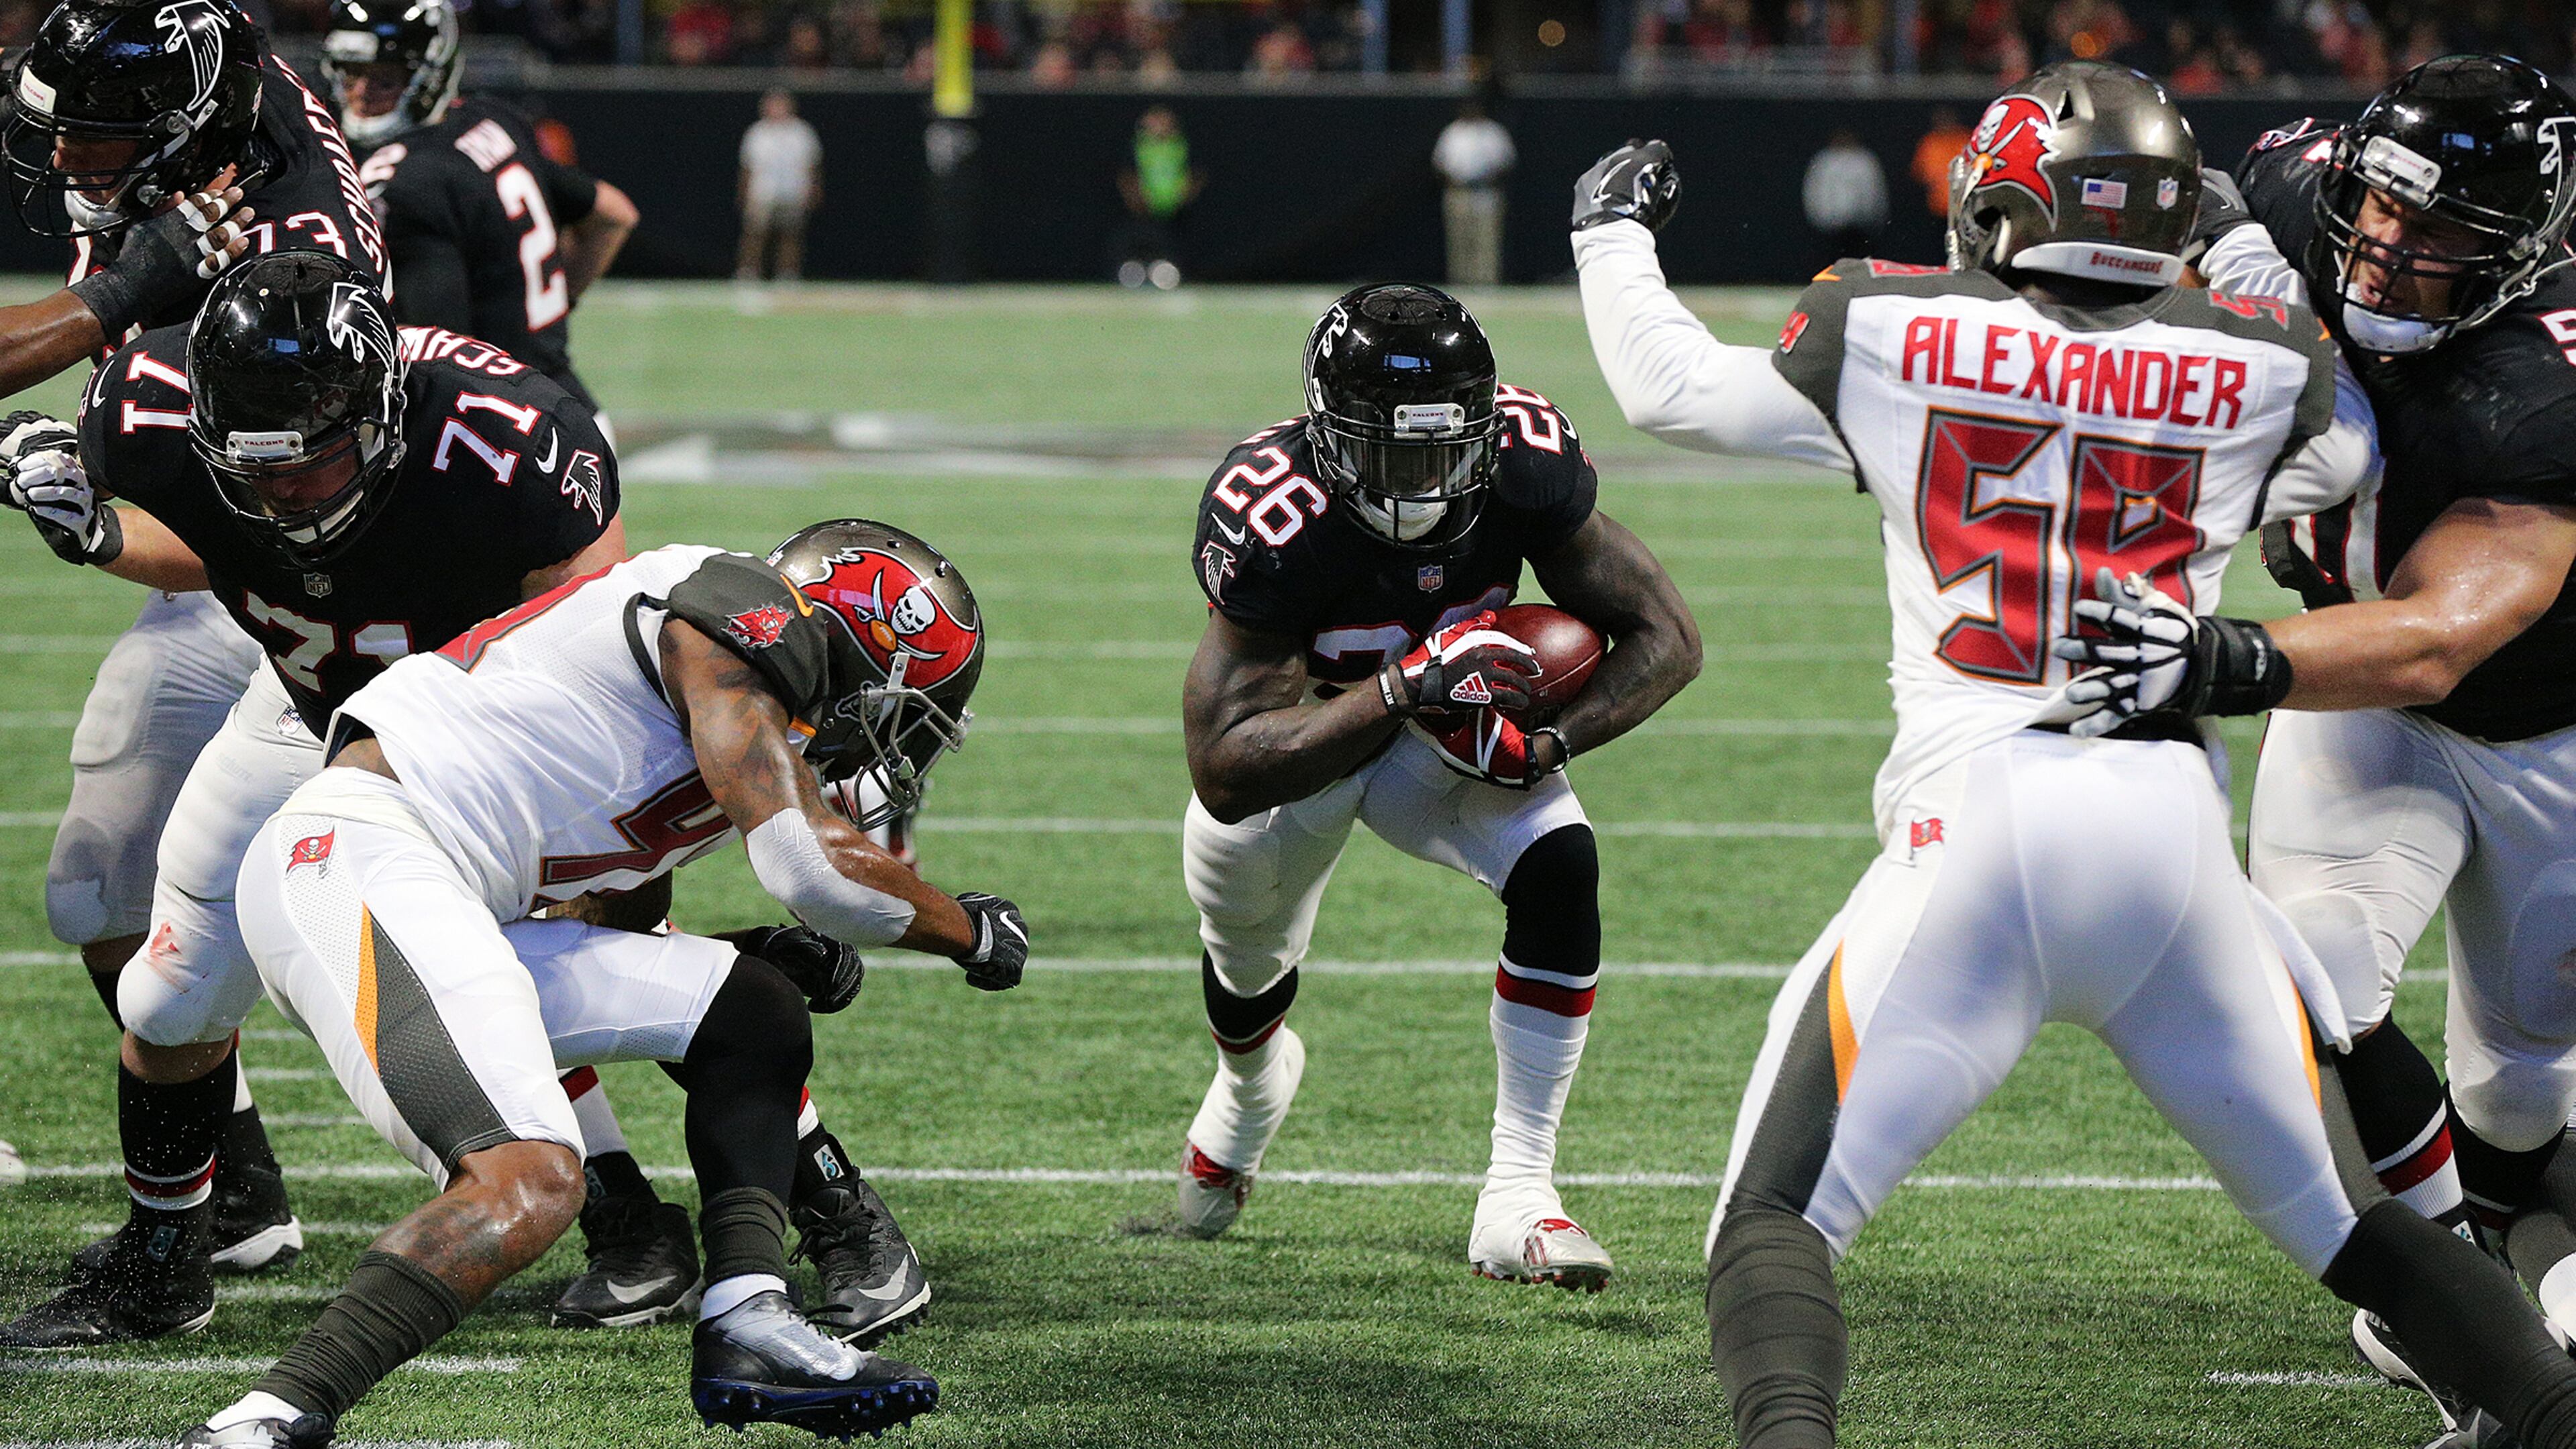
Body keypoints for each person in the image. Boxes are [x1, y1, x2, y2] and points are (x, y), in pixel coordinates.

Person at [1570, 61, 2576, 1449]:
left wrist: (1608, 233)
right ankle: (2542, 1401)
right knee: (2359, 1219)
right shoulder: (2263, 365)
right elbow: (2339, 450)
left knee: (1773, 1221)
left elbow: (1671, 387)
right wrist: (2238, 274)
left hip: (1981, 828)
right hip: (2169, 839)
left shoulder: (1890, 325)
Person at [178, 519, 1024, 1446]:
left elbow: (601, 926)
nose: (890, 749)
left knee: (749, 1008)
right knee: (529, 1181)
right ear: (848, 650)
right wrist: (970, 930)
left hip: (427, 893)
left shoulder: (703, 708)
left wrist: (749, 947)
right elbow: (809, 868)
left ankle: (748, 1317)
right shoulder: (734, 615)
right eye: (900, 712)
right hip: (351, 867)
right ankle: (265, 1419)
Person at [2065, 57, 2576, 1442]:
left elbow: (2435, 638)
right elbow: (2131, 170)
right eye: (2382, 213)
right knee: (2304, 994)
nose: (2393, 251)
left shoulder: (2537, 388)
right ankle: (2453, 1312)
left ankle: (2518, 1240)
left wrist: (2219, 657)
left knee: (2517, 1090)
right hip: (2366, 721)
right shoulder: (2302, 196)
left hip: (2543, 731)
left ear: (2517, 253)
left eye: (2443, 236)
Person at [0, 251, 621, 1349]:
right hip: (300, 713)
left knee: (571, 968)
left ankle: (765, 1205)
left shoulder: (510, 442)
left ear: (378, 411)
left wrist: (558, 818)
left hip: (469, 744)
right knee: (165, 999)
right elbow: (204, 546)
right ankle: (162, 1272)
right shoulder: (144, 408)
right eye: (255, 471)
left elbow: (585, 647)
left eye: (309, 465)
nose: (285, 494)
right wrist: (95, 531)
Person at [1175, 282, 1701, 1289]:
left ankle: (1518, 1194)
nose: (1422, 479)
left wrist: (1548, 748)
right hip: (1313, 740)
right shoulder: (1275, 510)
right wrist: (1400, 684)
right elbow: (1226, 770)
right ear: (1329, 435)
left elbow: (1668, 640)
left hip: (1446, 735)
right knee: (1247, 957)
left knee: (1559, 861)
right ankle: (1250, 1093)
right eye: (1391, 450)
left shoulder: (1524, 462)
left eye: (1443, 447)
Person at [7, 0, 388, 1299]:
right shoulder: (206, 130)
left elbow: (254, 542)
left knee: (429, 943)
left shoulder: (286, 261)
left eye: (102, 136)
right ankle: (233, 1195)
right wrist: (126, 290)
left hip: (285, 602)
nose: (68, 163)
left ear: (181, 131)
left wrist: (102, 523)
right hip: (218, 554)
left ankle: (663, 1191)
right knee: (103, 893)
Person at [325, 0, 638, 419]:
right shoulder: (493, 120)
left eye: (383, 79)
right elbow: (614, 215)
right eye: (351, 73)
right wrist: (552, 311)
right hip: (572, 410)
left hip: (501, 432)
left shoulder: (405, 183)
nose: (361, 92)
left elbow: (437, 356)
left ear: (429, 77)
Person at [737, 89, 820, 282]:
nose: (777, 109)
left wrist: (813, 191)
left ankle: (787, 274)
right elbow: (747, 167)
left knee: (790, 236)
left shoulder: (802, 133)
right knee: (755, 234)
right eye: (773, 105)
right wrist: (744, 193)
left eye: (781, 105)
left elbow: (812, 166)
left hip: (793, 191)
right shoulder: (757, 133)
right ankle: (748, 272)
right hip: (762, 192)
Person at [1434, 98, 1515, 286]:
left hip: (1486, 192)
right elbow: (1440, 164)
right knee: (1459, 240)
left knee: (1487, 240)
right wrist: (1455, 181)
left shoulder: (1492, 132)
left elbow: (1506, 163)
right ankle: (1460, 282)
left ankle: (1487, 283)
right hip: (1459, 191)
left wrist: (1488, 179)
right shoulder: (1453, 132)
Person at [1116, 105, 1199, 289]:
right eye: (1155, 122)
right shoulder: (1139, 145)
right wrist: (1136, 200)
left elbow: (1195, 174)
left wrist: (1183, 196)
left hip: (1175, 210)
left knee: (1174, 246)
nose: (1159, 126)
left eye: (1163, 121)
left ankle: (1171, 276)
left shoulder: (1180, 145)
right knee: (1140, 242)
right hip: (1143, 209)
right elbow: (1127, 175)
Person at [1800, 127, 1887, 269]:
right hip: (1831, 221)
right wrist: (1819, 214)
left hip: (1859, 222)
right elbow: (1816, 189)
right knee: (1832, 258)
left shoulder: (1863, 160)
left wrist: (1873, 214)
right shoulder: (1825, 161)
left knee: (1858, 257)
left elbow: (1873, 188)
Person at [1908, 105, 1970, 217]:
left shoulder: (1965, 139)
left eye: (1948, 119)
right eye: (1941, 119)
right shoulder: (1929, 143)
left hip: (1965, 206)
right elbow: (1919, 175)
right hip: (1937, 208)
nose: (1945, 123)